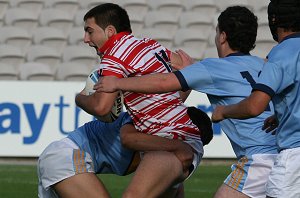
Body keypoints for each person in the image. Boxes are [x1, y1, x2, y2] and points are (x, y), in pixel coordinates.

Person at [94, 6, 279, 198]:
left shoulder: (213, 68)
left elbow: (163, 82)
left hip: (259, 159)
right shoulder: (264, 65)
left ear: (222, 36)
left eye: (217, 32)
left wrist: (117, 82)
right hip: (285, 154)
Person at [75, 3, 204, 198]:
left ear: (110, 31)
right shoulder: (149, 44)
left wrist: (80, 98)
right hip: (174, 139)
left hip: (169, 141)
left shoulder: (113, 57)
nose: (86, 39)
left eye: (89, 31)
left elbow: (102, 108)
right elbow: (186, 70)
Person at [211, 1, 300, 197]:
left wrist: (223, 111)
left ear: (274, 20)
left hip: (294, 156)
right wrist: (284, 114)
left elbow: (254, 106)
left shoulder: (281, 52)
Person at [38, 111, 198, 198]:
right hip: (67, 155)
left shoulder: (161, 151)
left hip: (64, 160)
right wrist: (178, 146)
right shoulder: (142, 122)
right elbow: (128, 139)